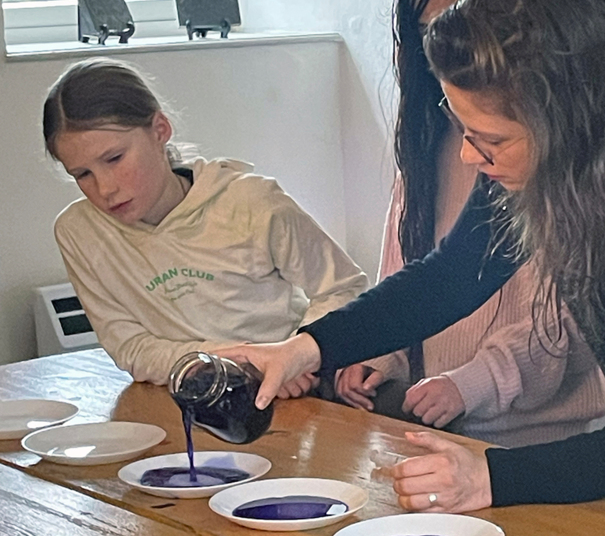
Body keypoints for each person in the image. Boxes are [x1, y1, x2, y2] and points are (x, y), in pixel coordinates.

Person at [218, 0, 605, 520]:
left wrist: (491, 477)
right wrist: (306, 347)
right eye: (464, 129)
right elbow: (452, 276)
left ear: (565, 124)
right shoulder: (572, 138)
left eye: (489, 141)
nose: (471, 157)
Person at [336, 0, 605, 446]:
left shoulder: (556, 149)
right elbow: (425, 278)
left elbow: (563, 326)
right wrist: (380, 354)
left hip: (543, 440)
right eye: (423, 33)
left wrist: (472, 384)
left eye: (452, 28)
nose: (438, 56)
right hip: (442, 429)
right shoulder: (425, 142)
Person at [44, 58, 367, 388]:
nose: (105, 188)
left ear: (160, 130)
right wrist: (243, 361)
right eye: (82, 174)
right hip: (181, 395)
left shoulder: (252, 202)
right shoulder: (78, 232)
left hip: (290, 392)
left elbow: (344, 289)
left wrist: (293, 358)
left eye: (114, 159)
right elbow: (132, 349)